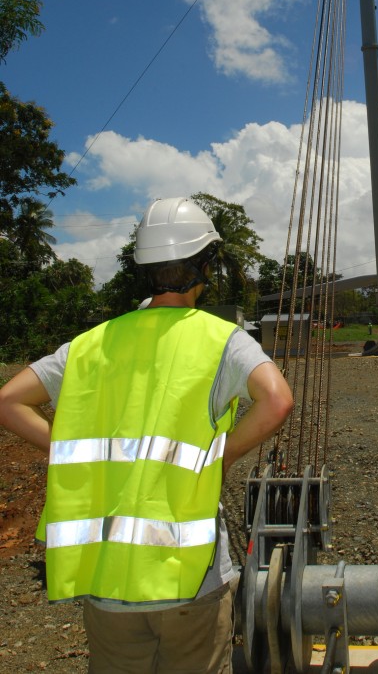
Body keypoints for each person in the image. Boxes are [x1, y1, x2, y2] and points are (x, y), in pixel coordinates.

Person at [0, 197, 294, 674]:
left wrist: (70, 453)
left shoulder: (91, 343)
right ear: (205, 265)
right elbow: (278, 400)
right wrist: (222, 457)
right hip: (192, 583)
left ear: (144, 269)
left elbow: (8, 401)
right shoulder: (222, 339)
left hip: (107, 584)